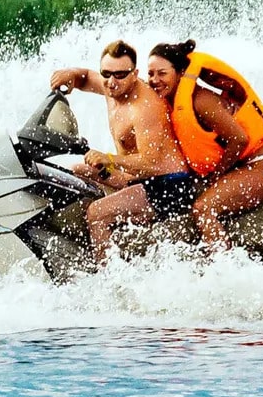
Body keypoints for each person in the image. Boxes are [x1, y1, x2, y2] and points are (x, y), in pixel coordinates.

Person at [48, 40, 200, 261]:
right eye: (106, 73)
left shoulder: (145, 108)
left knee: (96, 213)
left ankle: (108, 275)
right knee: (77, 169)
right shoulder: (111, 86)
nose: (111, 82)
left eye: (120, 75)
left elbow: (151, 164)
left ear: (134, 73)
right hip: (135, 179)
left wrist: (108, 158)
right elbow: (85, 77)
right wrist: (69, 73)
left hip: (168, 185)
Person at [146, 40, 263, 249]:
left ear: (179, 73)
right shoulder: (171, 104)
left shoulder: (200, 100)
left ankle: (223, 271)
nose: (155, 80)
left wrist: (216, 176)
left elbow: (239, 139)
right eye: (150, 74)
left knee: (203, 208)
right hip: (240, 169)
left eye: (162, 73)